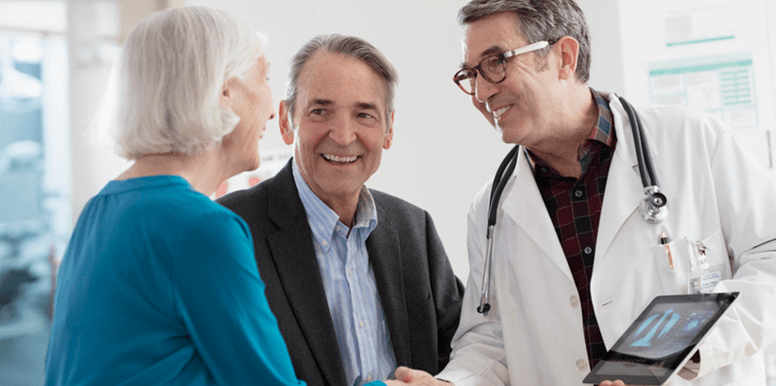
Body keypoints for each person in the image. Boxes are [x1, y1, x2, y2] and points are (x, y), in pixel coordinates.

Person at [394, 0, 776, 385]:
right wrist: (449, 383)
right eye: (471, 74)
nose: (480, 91)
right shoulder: (490, 209)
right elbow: (492, 338)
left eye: (496, 63)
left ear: (564, 57)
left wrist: (680, 349)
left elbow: (770, 256)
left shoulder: (693, 142)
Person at [44, 8, 398, 386]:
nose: (269, 107)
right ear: (225, 92)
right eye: (263, 77)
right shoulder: (200, 228)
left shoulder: (100, 210)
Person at [217, 34, 465, 386]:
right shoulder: (230, 230)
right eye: (321, 111)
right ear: (287, 121)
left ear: (389, 129)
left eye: (364, 114)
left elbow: (465, 349)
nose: (344, 135)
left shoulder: (413, 228)